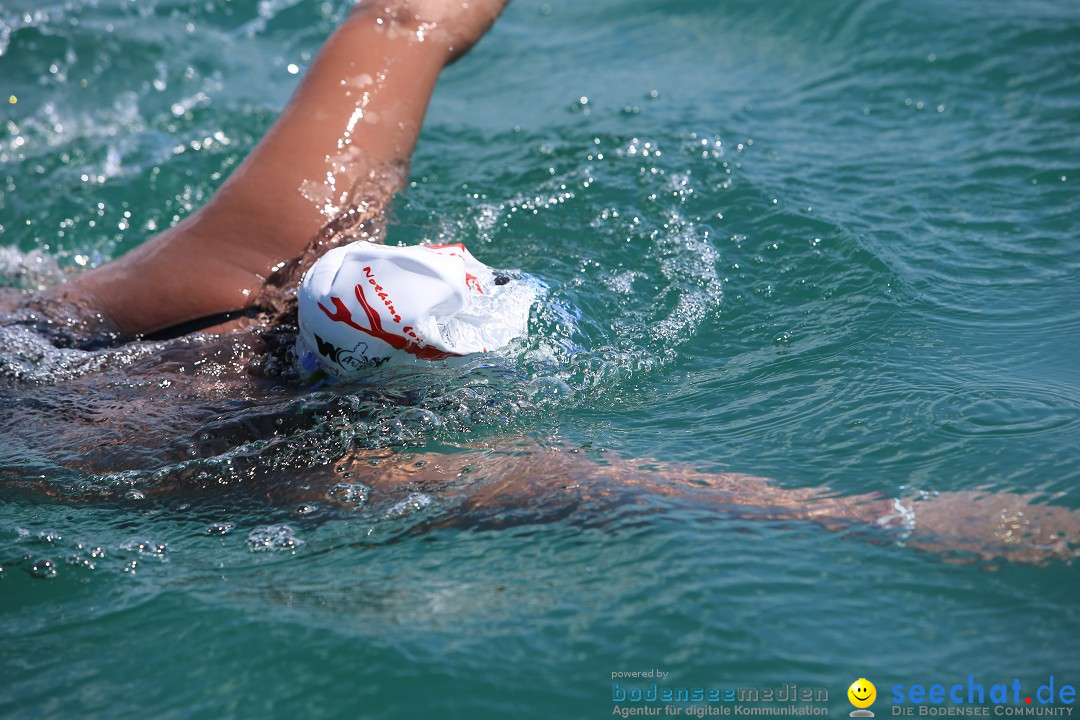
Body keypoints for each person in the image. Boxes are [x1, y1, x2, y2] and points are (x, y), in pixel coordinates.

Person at [2, 0, 1077, 565]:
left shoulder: (277, 239)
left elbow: (406, 18)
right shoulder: (297, 455)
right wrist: (898, 520)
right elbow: (642, 491)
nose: (465, 244)